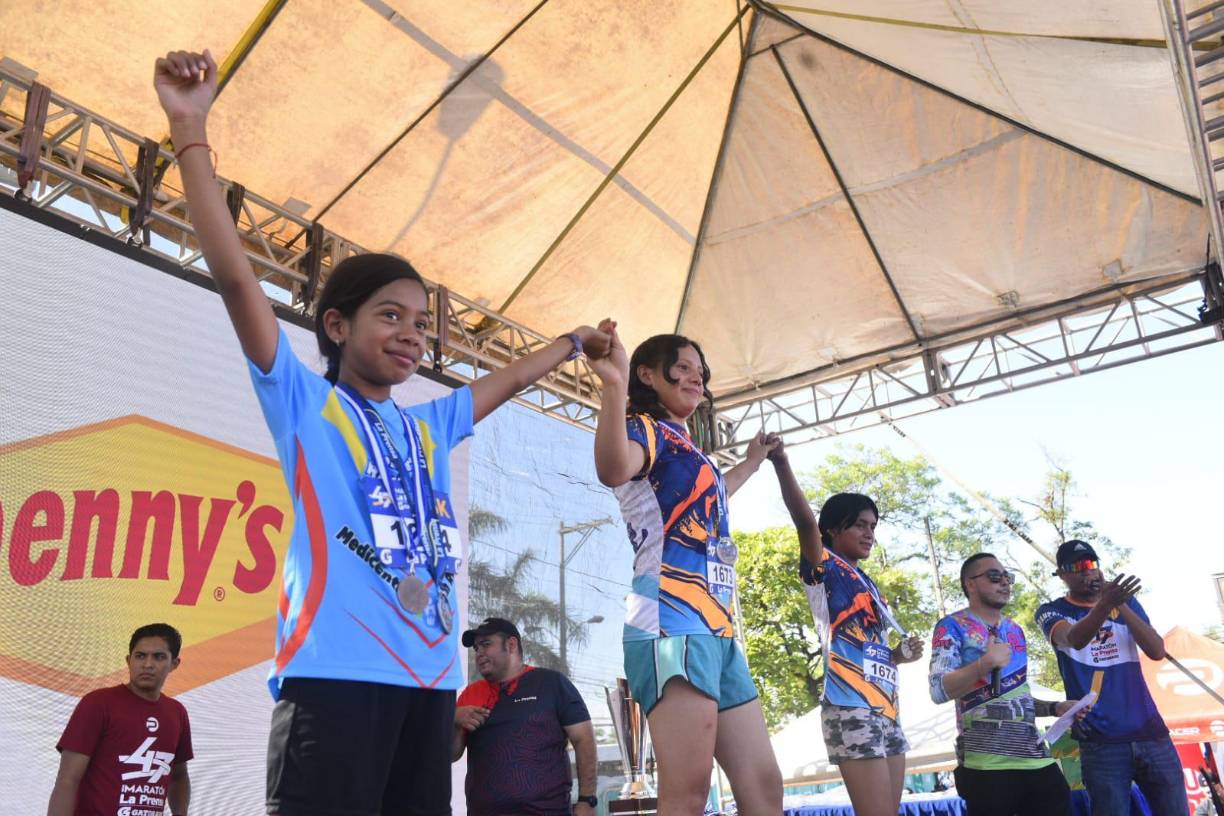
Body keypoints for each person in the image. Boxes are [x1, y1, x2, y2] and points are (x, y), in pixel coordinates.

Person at [153, 50, 612, 816]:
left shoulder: (427, 426)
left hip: (428, 683)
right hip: (335, 677)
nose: (410, 337)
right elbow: (237, 277)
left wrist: (571, 343)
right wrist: (189, 128)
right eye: (388, 316)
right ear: (336, 325)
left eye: (420, 325)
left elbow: (507, 380)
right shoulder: (304, 400)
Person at [590, 329, 783, 816]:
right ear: (648, 374)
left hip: (717, 628)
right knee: (688, 792)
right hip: (669, 621)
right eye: (685, 366)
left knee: (763, 783)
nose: (697, 377)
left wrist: (752, 463)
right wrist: (612, 387)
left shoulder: (689, 448)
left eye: (703, 371)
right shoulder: (642, 428)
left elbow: (712, 492)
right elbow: (613, 468)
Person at [768, 442, 925, 816]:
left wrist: (898, 656)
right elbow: (804, 522)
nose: (869, 533)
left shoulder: (868, 581)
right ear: (833, 529)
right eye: (859, 524)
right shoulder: (822, 567)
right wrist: (782, 464)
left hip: (887, 707)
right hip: (850, 706)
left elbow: (872, 652)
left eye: (873, 526)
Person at [1035, 540, 1188, 816]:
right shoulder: (1052, 610)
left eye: (1091, 564)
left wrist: (1121, 604)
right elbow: (1073, 639)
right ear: (1061, 574)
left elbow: (1156, 650)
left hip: (1151, 732)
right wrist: (1104, 606)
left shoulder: (1125, 604)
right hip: (1100, 741)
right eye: (1077, 566)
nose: (1087, 572)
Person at [929, 553, 1085, 815]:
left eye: (1007, 577)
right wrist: (983, 664)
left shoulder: (1015, 630)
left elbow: (1016, 699)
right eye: (994, 576)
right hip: (985, 764)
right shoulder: (952, 626)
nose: (1004, 582)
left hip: (1036, 758)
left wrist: (1056, 707)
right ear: (970, 584)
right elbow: (938, 690)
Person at [452, 618, 597, 816]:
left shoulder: (551, 683)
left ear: (511, 645)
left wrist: (587, 800)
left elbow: (584, 739)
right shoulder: (471, 694)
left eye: (486, 644)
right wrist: (453, 719)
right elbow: (452, 754)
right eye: (476, 647)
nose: (479, 653)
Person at [48, 623, 193, 816]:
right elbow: (67, 780)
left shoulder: (177, 712)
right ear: (128, 660)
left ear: (174, 664)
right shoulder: (98, 703)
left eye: (158, 657)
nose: (148, 664)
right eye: (140, 656)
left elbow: (179, 776)